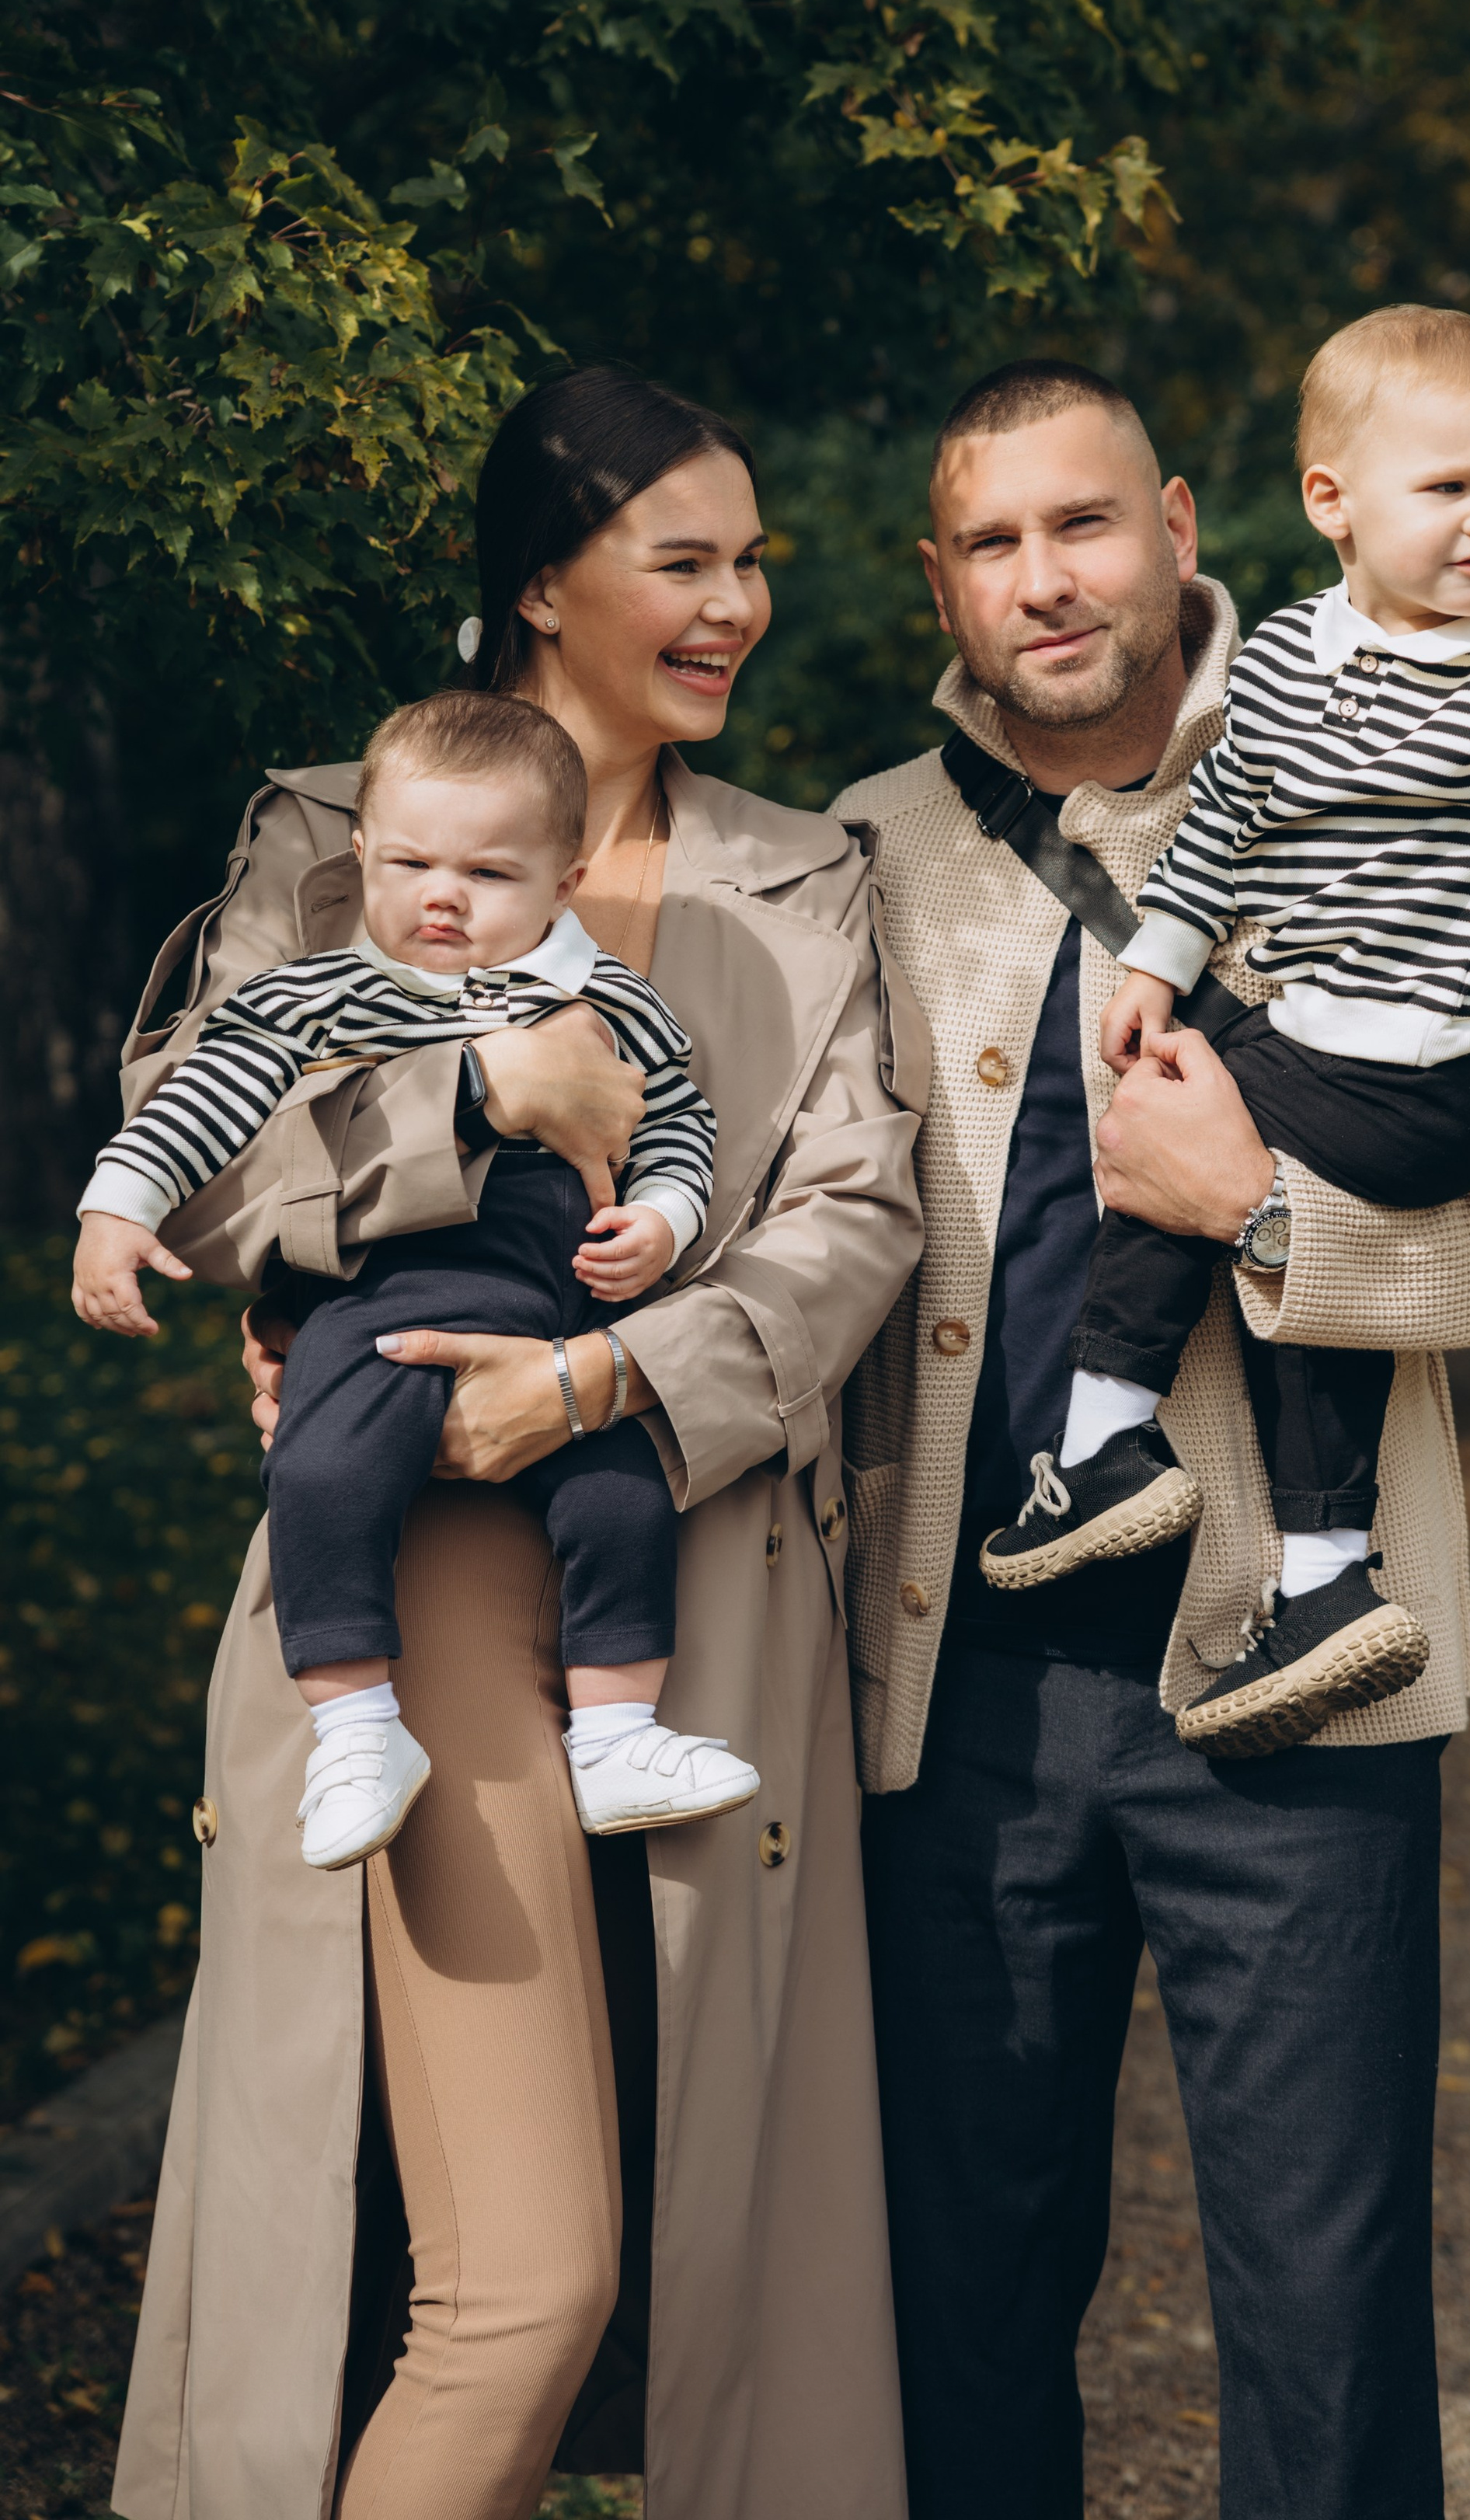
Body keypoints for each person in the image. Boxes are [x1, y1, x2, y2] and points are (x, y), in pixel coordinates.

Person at [111, 367, 926, 2520]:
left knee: (674, 2300)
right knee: (519, 2287)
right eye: (689, 562)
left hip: (690, 1586)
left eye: (755, 559)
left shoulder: (806, 875)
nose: (742, 601)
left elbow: (856, 1223)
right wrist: (488, 1115)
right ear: (540, 585)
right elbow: (208, 1165)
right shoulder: (338, 823)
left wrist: (603, 1381)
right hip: (419, 1606)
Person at [835, 356, 1470, 2520]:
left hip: (1302, 1682)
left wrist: (1263, 1214)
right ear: (939, 578)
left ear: (1188, 523)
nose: (1043, 581)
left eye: (1082, 525)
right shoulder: (862, 859)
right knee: (963, 2297)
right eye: (992, 544)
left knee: (1324, 2305)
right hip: (960, 1684)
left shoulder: (1429, 742)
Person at [987, 307, 1470, 1758]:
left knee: (1178, 1135)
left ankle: (1106, 1437)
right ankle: (1322, 1579)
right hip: (1331, 1041)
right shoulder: (1293, 658)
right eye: (1450, 487)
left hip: (1431, 1070)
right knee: (1306, 1273)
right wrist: (1163, 958)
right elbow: (1228, 824)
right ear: (1330, 504)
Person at [74, 687, 759, 1862]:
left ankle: (616, 1736)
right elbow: (206, 1103)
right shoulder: (323, 991)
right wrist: (116, 1207)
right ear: (360, 853)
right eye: (409, 862)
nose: (442, 895)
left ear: (564, 877)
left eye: (489, 875)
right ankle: (354, 1729)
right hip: (382, 1304)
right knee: (324, 1473)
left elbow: (678, 1120)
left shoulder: (615, 1003)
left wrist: (662, 1213)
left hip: (566, 1316)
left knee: (625, 1502)